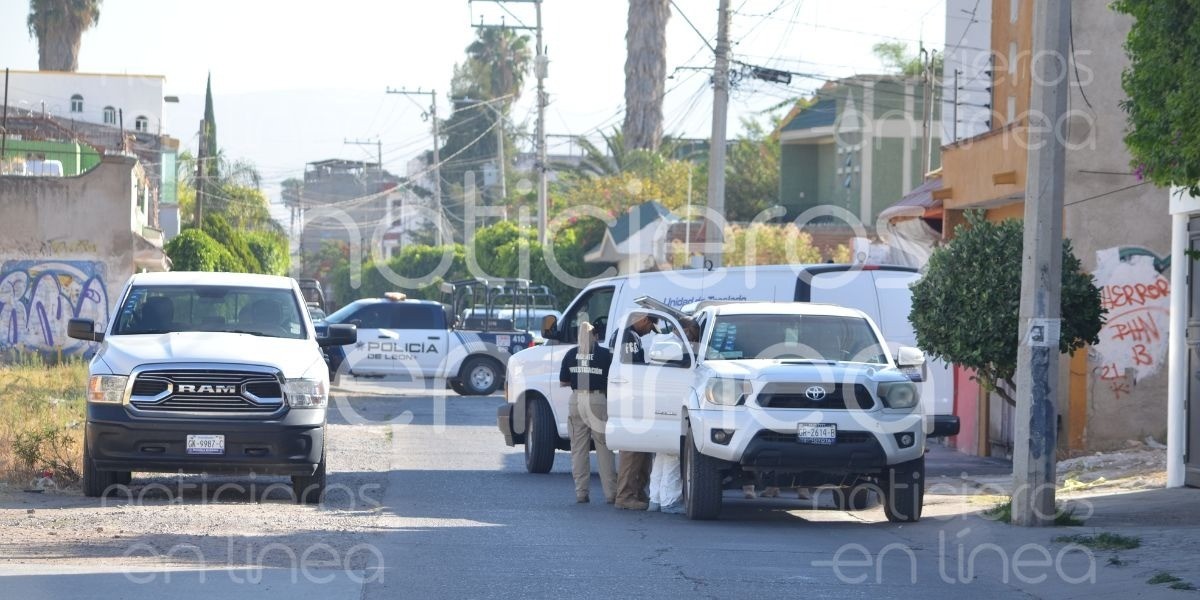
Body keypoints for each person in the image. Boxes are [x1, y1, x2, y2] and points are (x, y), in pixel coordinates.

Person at [559, 321, 617, 504]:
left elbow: (564, 382)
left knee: (578, 449)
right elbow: (612, 379)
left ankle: (581, 493)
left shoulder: (570, 354)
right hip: (598, 400)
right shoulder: (605, 355)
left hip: (577, 401)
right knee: (604, 448)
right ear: (596, 336)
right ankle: (611, 494)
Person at [648, 316, 701, 514]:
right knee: (672, 454)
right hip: (672, 402)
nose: (693, 340)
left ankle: (655, 499)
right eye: (694, 335)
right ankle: (669, 501)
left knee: (661, 455)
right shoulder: (675, 346)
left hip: (659, 403)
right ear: (687, 330)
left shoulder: (660, 341)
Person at [613, 312, 658, 510]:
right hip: (630, 397)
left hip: (629, 397)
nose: (649, 332)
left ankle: (637, 493)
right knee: (631, 450)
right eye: (650, 327)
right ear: (644, 320)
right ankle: (625, 496)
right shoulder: (629, 336)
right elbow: (632, 368)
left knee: (640, 451)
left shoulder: (626, 335)